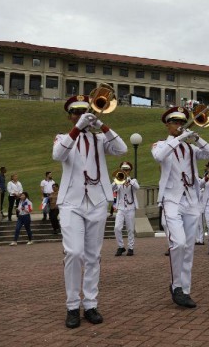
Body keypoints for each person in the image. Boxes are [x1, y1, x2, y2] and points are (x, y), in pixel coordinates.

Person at [52, 94, 127, 328]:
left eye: (85, 112)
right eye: (76, 112)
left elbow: (122, 148)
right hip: (72, 203)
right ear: (70, 116)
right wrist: (78, 128)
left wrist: (101, 125)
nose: (81, 115)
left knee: (93, 256)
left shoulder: (99, 140)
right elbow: (58, 155)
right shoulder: (63, 137)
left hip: (96, 202)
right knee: (74, 253)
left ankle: (91, 304)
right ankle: (72, 306)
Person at [152, 106, 209, 308]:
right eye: (175, 122)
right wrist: (179, 138)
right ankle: (176, 285)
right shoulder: (161, 144)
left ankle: (183, 290)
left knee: (188, 248)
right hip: (172, 200)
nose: (179, 126)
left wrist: (197, 138)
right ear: (167, 124)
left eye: (182, 123)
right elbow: (159, 157)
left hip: (191, 200)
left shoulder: (190, 148)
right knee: (178, 243)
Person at [112, 161, 139, 256]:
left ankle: (130, 247)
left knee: (130, 229)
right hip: (120, 207)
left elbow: (137, 187)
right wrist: (117, 180)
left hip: (130, 207)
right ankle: (121, 246)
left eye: (127, 169)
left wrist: (129, 180)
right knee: (117, 228)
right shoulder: (118, 180)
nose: (125, 171)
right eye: (123, 169)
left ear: (130, 170)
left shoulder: (133, 180)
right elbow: (112, 189)